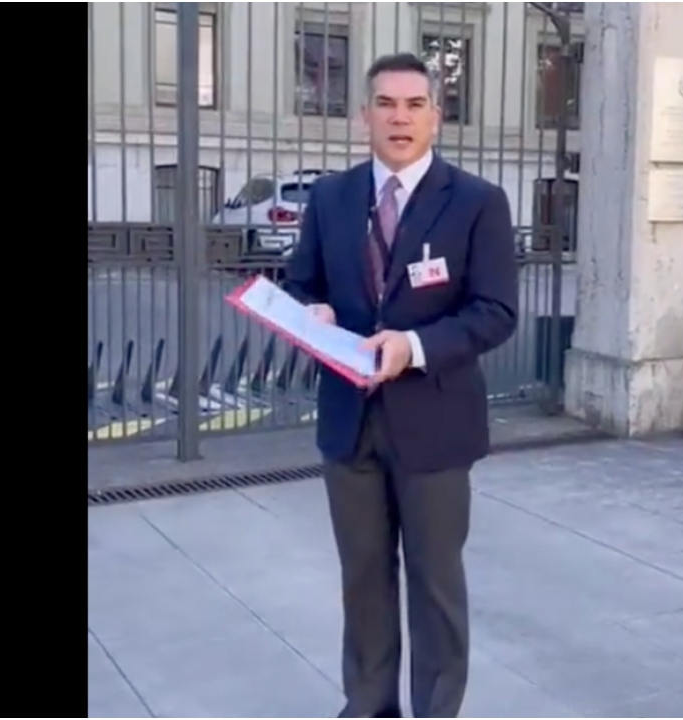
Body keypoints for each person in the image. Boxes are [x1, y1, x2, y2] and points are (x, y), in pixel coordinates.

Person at [283, 52, 519, 718]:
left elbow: (496, 312)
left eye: (415, 105)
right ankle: (368, 706)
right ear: (364, 115)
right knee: (363, 581)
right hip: (349, 425)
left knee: (435, 585)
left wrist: (413, 347)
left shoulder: (477, 202)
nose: (400, 118)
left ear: (436, 117)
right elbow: (301, 284)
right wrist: (310, 311)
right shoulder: (331, 198)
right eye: (386, 104)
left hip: (435, 427)